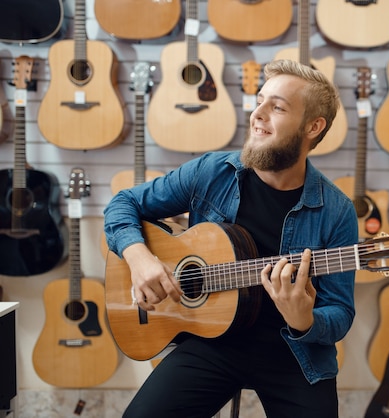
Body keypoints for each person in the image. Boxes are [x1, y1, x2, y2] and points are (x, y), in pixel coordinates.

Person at [103, 59, 358, 418]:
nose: (258, 114)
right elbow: (123, 203)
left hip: (293, 356)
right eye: (260, 100)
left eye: (277, 107)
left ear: (313, 127)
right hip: (211, 342)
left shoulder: (336, 211)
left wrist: (306, 320)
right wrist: (139, 258)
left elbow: (341, 311)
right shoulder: (212, 172)